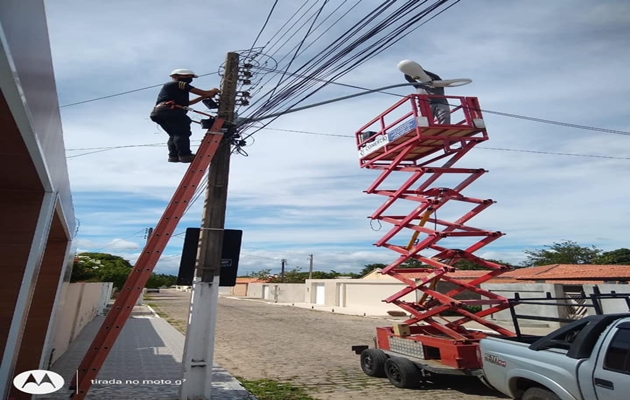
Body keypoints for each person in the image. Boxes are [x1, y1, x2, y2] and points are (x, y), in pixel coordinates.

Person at [150, 69, 220, 163]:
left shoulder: (175, 91)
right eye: (186, 76)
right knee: (182, 133)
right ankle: (185, 155)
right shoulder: (176, 84)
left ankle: (173, 156)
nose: (189, 78)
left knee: (174, 134)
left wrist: (204, 96)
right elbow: (204, 92)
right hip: (170, 110)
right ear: (175, 76)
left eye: (190, 77)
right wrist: (212, 91)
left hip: (160, 112)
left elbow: (188, 103)